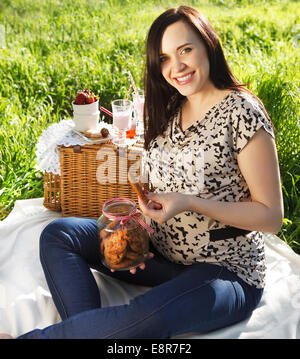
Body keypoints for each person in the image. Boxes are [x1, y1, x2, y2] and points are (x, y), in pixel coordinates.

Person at [3, 5, 283, 339]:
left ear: (208, 44)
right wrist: (135, 234)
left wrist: (191, 202)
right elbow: (162, 185)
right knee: (59, 234)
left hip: (225, 269)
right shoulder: (170, 106)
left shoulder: (242, 112)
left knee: (143, 317)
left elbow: (271, 216)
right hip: (159, 254)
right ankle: (92, 332)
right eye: (163, 58)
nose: (176, 67)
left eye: (185, 50)